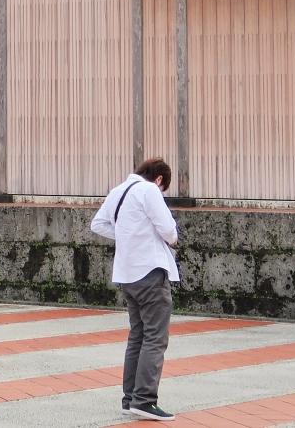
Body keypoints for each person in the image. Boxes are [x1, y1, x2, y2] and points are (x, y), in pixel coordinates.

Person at [90, 158, 179, 422]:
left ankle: (130, 399)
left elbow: (98, 224)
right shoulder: (149, 190)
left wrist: (128, 234)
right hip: (150, 272)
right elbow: (169, 231)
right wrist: (162, 238)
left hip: (127, 275)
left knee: (137, 337)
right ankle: (145, 400)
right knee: (155, 338)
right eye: (163, 188)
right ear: (159, 179)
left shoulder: (118, 190)